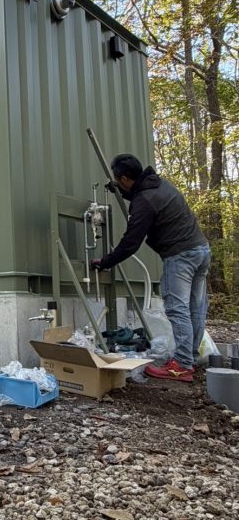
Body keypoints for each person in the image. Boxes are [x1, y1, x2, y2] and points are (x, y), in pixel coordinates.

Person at [91, 154, 210, 382]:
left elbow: (130, 243)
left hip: (180, 255)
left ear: (125, 178)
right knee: (195, 309)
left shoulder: (144, 200)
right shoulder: (158, 184)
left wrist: (106, 262)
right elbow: (142, 197)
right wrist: (122, 192)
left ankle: (182, 365)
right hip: (201, 250)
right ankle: (190, 359)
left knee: (177, 309)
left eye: (119, 180)